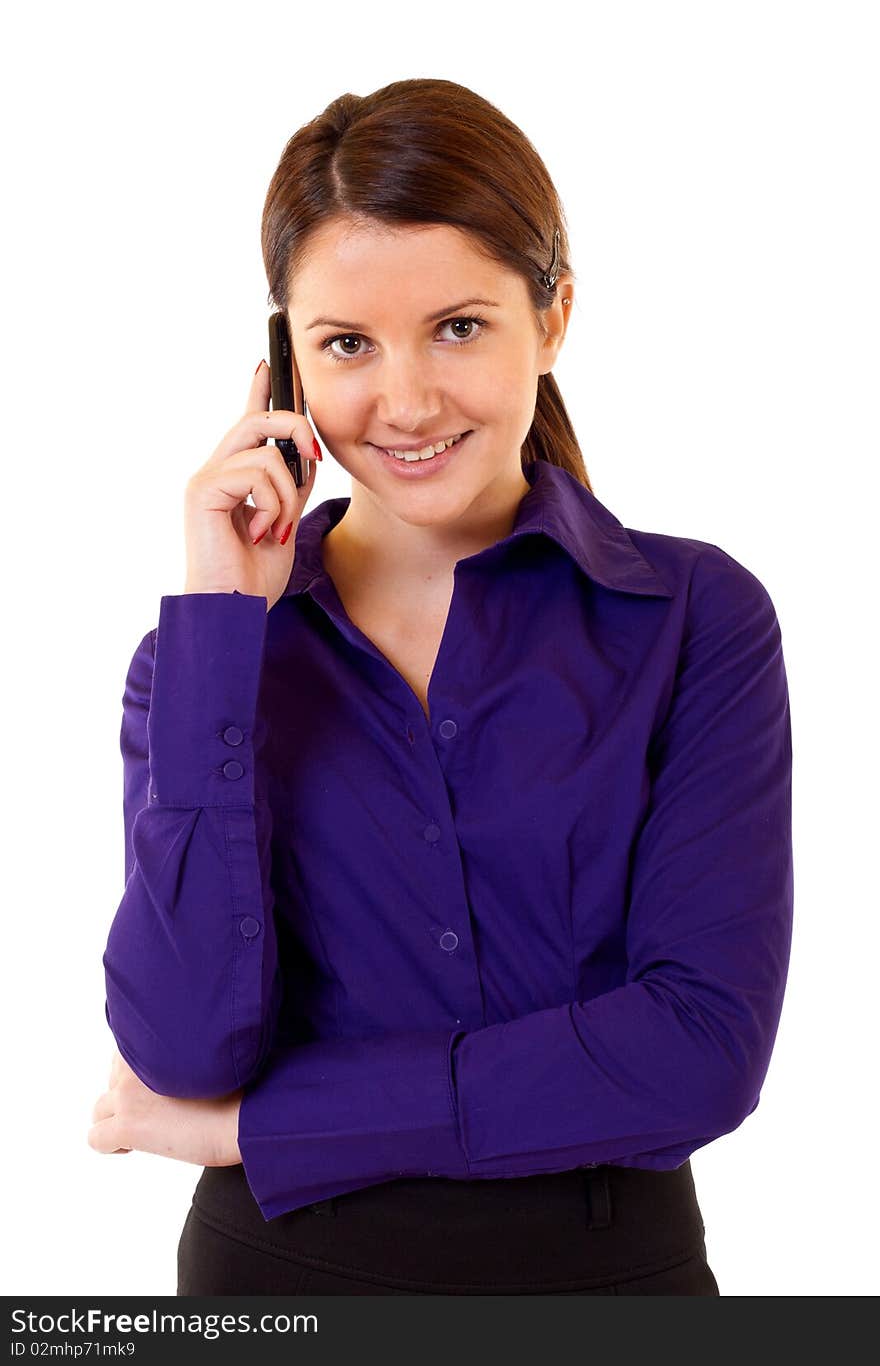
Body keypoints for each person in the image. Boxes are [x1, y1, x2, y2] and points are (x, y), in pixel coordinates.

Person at [91, 78, 793, 1296]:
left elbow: (698, 1055)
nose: (404, 402)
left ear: (554, 315)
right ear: (284, 362)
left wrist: (260, 1130)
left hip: (610, 1285)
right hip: (272, 1291)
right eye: (346, 344)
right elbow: (182, 1046)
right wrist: (220, 628)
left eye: (459, 327)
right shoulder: (200, 667)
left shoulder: (692, 620)